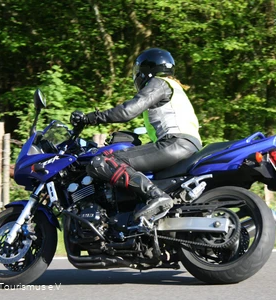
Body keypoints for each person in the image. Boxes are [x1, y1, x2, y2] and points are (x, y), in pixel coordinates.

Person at [70, 47, 202, 221]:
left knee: (104, 161)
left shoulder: (158, 83)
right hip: (185, 144)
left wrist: (91, 118)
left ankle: (156, 196)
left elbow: (127, 111)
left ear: (146, 71)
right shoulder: (174, 87)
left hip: (176, 143)